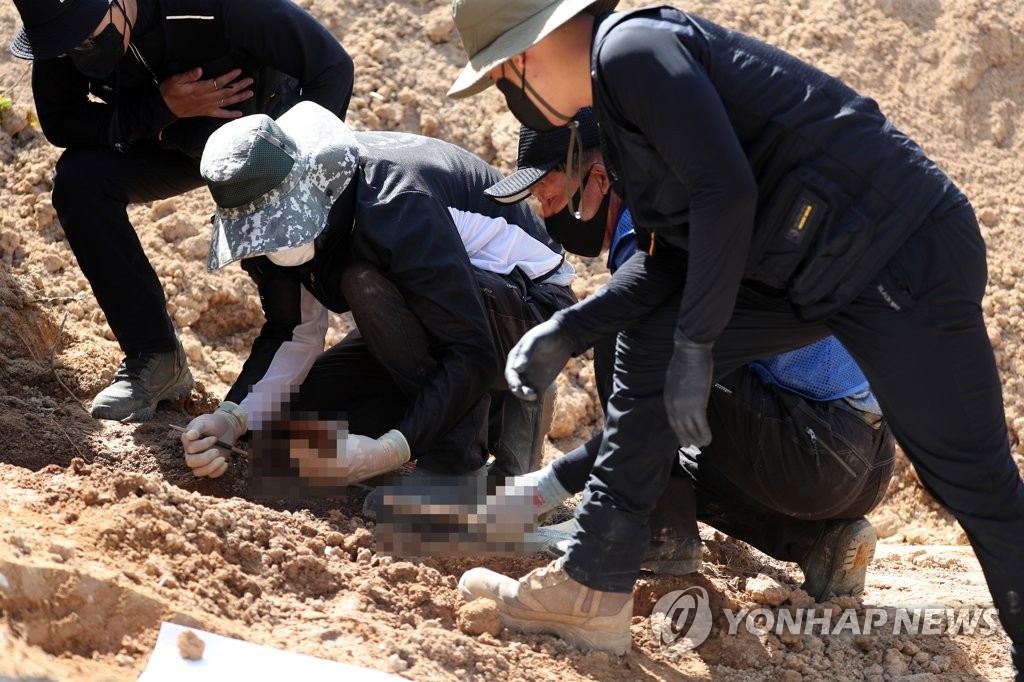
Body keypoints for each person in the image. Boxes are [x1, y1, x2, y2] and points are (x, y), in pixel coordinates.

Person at [446, 0, 1024, 669]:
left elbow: (727, 191)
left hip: (903, 249)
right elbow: (670, 259)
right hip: (814, 271)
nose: (506, 95)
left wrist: (699, 345)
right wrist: (570, 329)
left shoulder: (632, 49)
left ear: (524, 58)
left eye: (498, 80)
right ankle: (590, 583)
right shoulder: (622, 111)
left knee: (969, 477)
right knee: (648, 340)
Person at [485, 109, 895, 591]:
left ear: (598, 178)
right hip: (860, 455)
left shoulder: (653, 229)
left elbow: (646, 401)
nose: (548, 215)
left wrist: (543, 489)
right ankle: (816, 543)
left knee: (630, 335)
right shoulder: (685, 190)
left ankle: (652, 535)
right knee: (670, 464)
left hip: (816, 446)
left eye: (550, 198)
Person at [179, 101, 575, 511]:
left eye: (279, 228)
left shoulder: (395, 206)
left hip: (528, 311)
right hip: (427, 313)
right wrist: (231, 419)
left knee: (362, 282)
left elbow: (467, 349)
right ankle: (456, 419)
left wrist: (391, 450)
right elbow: (292, 331)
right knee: (286, 431)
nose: (271, 244)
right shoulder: (264, 223)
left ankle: (456, 468)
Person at [9, 0, 354, 421]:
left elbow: (332, 66)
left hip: (264, 146)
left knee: (293, 282)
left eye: (87, 35)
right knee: (80, 181)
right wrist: (162, 109)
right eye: (68, 44)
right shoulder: (62, 35)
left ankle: (323, 389)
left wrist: (294, 180)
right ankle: (154, 358)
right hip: (166, 141)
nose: (80, 49)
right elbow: (62, 123)